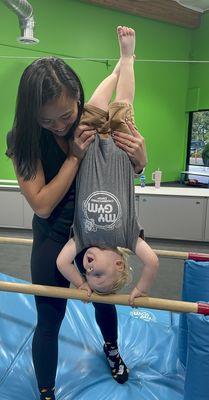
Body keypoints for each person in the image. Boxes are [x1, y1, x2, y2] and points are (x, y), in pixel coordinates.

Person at [6, 27, 148, 400]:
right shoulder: (22, 138)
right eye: (47, 120)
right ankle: (47, 390)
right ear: (30, 114)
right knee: (50, 319)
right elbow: (41, 203)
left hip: (98, 224)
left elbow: (120, 161)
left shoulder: (87, 120)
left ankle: (112, 349)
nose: (59, 125)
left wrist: (140, 161)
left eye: (65, 115)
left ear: (78, 101)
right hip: (54, 233)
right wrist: (74, 156)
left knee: (104, 298)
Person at [57, 26, 159, 304]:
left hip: (89, 149)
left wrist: (79, 284)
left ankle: (115, 72)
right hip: (120, 152)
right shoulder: (128, 238)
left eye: (88, 273)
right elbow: (152, 263)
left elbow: (62, 263)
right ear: (119, 265)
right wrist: (143, 287)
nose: (88, 269)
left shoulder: (81, 240)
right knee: (123, 103)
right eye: (96, 275)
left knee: (93, 105)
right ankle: (126, 58)